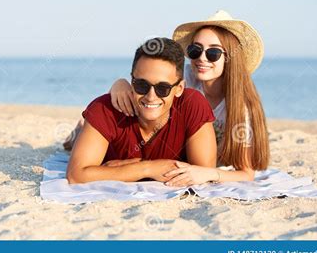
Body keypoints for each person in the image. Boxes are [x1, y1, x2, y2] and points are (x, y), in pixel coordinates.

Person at [65, 10, 270, 185]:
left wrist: (209, 173)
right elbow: (149, 78)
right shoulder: (188, 77)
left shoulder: (239, 107)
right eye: (195, 50)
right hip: (163, 153)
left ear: (230, 57)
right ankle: (81, 129)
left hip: (202, 164)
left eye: (213, 53)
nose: (201, 59)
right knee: (89, 129)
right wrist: (120, 84)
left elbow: (246, 173)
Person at [66, 38, 218, 185]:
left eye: (162, 88)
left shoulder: (192, 105)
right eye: (141, 85)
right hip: (97, 130)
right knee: (74, 142)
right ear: (131, 81)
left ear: (179, 89)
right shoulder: (105, 108)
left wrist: (124, 170)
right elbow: (75, 175)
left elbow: (204, 171)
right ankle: (78, 133)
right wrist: (147, 169)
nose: (151, 96)